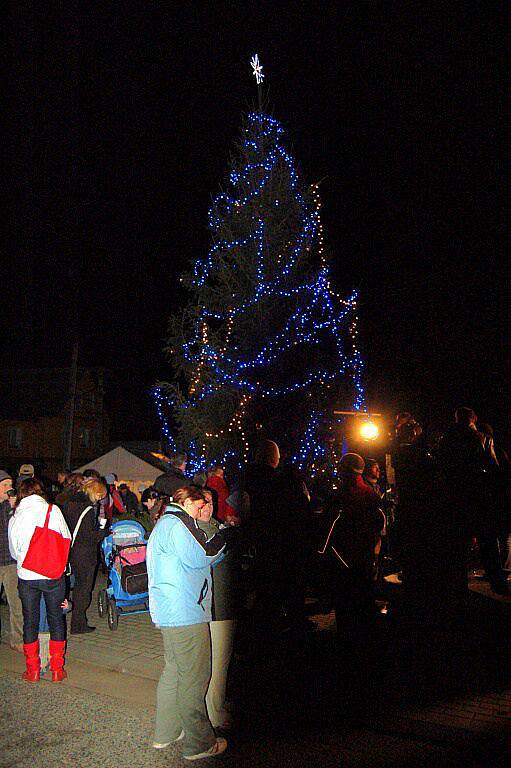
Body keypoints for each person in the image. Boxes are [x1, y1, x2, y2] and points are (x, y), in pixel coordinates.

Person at [147, 486, 227, 760]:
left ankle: (166, 732)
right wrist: (225, 537)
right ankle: (200, 744)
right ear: (188, 502)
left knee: (174, 672)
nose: (203, 508)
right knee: (194, 678)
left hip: (171, 611)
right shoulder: (178, 522)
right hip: (185, 612)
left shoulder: (166, 522)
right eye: (200, 503)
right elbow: (201, 556)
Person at [8, 478, 71, 682]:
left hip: (27, 576)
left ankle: (33, 670)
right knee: (56, 619)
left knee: (30, 622)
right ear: (40, 493)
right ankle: (56, 669)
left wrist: (28, 559)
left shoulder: (16, 516)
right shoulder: (53, 511)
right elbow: (66, 538)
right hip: (52, 575)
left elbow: (13, 551)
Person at [320, 453, 383, 636]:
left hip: (342, 560)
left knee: (346, 607)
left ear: (343, 470)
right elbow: (379, 524)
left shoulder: (339, 495)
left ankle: (347, 648)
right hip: (365, 557)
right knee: (364, 603)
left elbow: (329, 527)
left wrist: (322, 552)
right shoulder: (371, 495)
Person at [197, 488, 240, 729]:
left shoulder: (212, 526)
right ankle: (215, 713)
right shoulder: (200, 531)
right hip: (216, 605)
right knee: (218, 661)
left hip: (222, 602)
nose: (208, 507)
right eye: (202, 503)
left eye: (211, 502)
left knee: (220, 660)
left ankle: (217, 704)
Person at [62, 477, 108, 634]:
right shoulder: (87, 509)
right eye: (100, 495)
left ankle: (76, 621)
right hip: (86, 554)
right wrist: (104, 532)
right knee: (84, 589)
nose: (100, 499)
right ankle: (78, 624)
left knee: (77, 587)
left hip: (73, 551)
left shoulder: (70, 503)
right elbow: (89, 536)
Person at [0, 470, 24, 652]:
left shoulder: (13, 507)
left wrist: (15, 509)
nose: (10, 488)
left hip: (10, 561)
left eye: (10, 484)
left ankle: (18, 639)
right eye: (5, 485)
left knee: (16, 602)